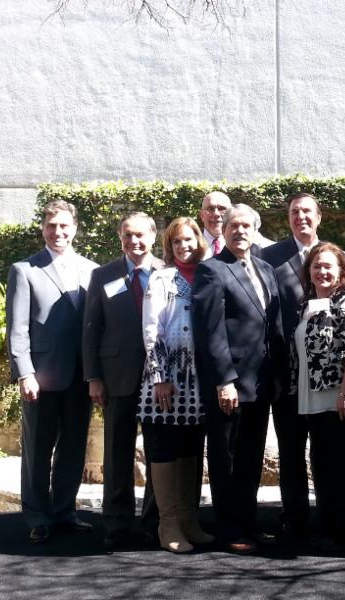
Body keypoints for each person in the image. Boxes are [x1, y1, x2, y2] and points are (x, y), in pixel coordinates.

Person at [192, 203, 285, 554]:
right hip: (230, 384)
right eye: (233, 225)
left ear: (255, 230)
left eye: (246, 226)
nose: (240, 231)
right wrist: (224, 381)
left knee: (250, 458)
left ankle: (248, 522)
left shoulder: (265, 268)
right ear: (224, 230)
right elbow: (210, 331)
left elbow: (273, 324)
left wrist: (278, 374)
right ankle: (229, 528)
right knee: (226, 460)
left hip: (261, 383)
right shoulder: (212, 270)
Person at [5, 200, 98, 544]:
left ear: (75, 228)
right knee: (38, 450)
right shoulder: (24, 270)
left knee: (73, 448)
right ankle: (37, 516)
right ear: (43, 228)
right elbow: (17, 329)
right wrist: (24, 373)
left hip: (81, 377)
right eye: (51, 226)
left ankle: (64, 512)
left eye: (64, 226)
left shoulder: (92, 270)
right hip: (41, 377)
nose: (58, 232)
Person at [82, 212, 165, 551]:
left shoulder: (167, 272)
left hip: (160, 379)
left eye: (140, 235)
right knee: (117, 454)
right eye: (128, 235)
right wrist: (93, 377)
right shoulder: (103, 275)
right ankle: (116, 522)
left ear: (153, 236)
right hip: (117, 377)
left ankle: (154, 522)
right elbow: (90, 329)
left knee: (159, 453)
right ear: (120, 238)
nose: (134, 241)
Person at [138, 217, 214, 553]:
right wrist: (161, 377)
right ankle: (167, 523)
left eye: (189, 239)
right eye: (177, 241)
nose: (184, 246)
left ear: (199, 241)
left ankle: (188, 519)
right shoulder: (161, 277)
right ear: (169, 246)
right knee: (164, 447)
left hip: (198, 381)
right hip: (167, 378)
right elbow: (152, 329)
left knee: (190, 449)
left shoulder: (207, 275)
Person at [292, 242, 345, 549]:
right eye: (316, 266)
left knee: (341, 464)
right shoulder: (306, 303)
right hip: (313, 396)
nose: (321, 271)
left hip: (339, 396)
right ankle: (329, 527)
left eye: (328, 266)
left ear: (341, 272)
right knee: (322, 463)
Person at [261, 191, 322, 540]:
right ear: (288, 219)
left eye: (307, 211)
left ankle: (331, 512)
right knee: (291, 448)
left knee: (327, 447)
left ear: (318, 217)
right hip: (286, 373)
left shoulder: (333, 254)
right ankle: (294, 515)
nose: (301, 217)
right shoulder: (269, 257)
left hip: (325, 373)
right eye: (295, 212)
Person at [199, 191, 231, 259]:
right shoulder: (190, 245)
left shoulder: (240, 243)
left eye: (222, 209)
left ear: (231, 214)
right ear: (202, 215)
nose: (216, 214)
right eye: (210, 209)